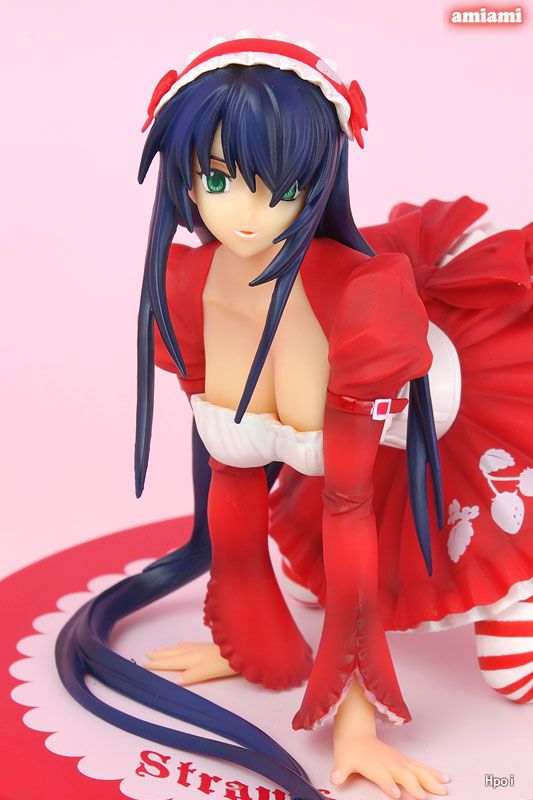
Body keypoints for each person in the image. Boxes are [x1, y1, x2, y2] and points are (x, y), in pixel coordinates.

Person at [56, 33, 533, 800]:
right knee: (288, 562)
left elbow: (351, 527)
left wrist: (355, 730)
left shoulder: (361, 303)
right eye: (217, 178)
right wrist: (243, 641)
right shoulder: (185, 288)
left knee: (511, 672)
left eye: (278, 188)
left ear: (318, 180)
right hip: (328, 477)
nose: (244, 216)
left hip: (440, 441)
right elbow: (233, 485)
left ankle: (514, 594)